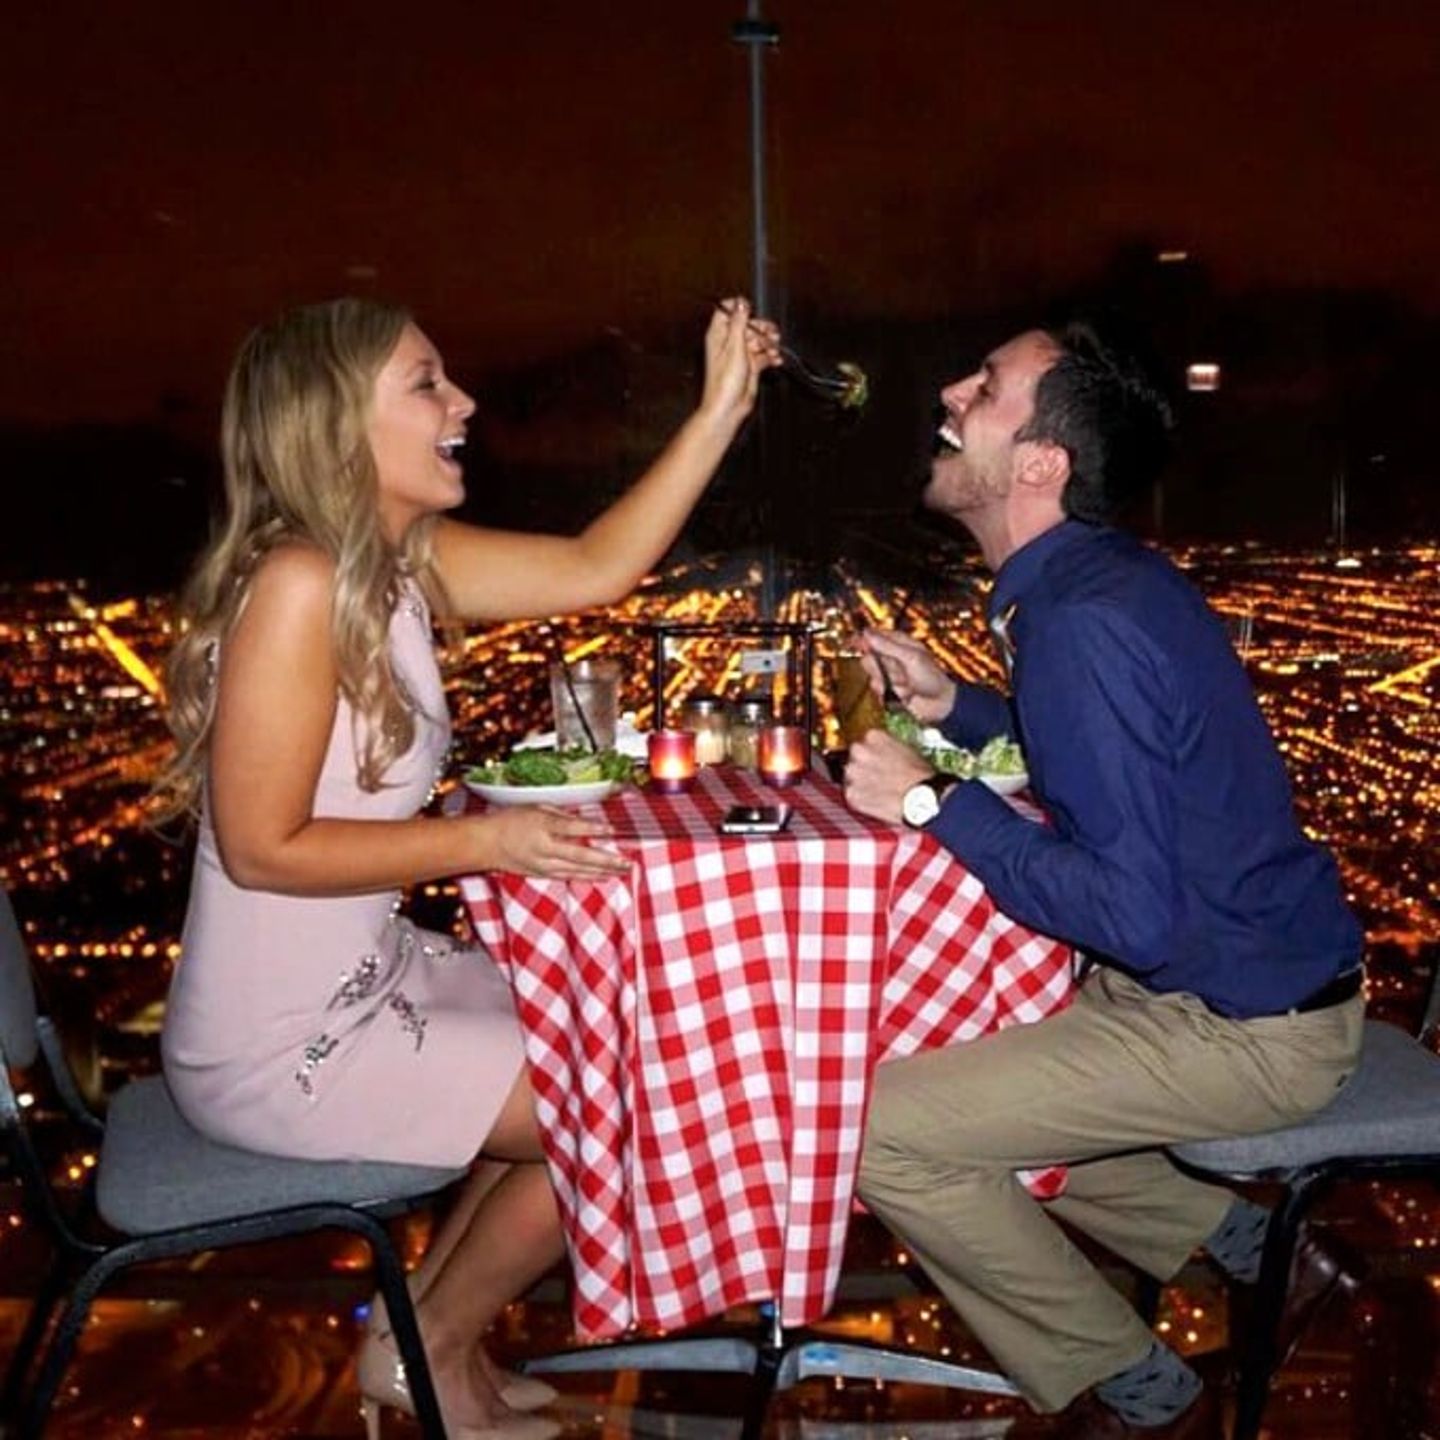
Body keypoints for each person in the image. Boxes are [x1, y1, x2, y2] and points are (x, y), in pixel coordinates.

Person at [152, 295, 781, 1439]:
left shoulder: (393, 564)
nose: (466, 403)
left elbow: (600, 566)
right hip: (282, 1037)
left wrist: (719, 408)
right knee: (633, 1103)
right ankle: (433, 1350)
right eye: (427, 384)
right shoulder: (297, 587)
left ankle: (418, 1341)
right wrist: (486, 840)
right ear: (340, 426)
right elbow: (260, 847)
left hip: (372, 977)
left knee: (609, 1032)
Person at [843, 319, 1364, 1438]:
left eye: (982, 387)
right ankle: (1251, 1243)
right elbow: (1119, 759)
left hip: (1242, 1031)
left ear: (1040, 465)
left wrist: (934, 799)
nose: (949, 389)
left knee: (875, 1129)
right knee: (954, 1059)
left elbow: (1131, 911)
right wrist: (956, 708)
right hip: (1241, 989)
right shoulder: (1098, 585)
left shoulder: (1080, 619)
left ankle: (1127, 1388)